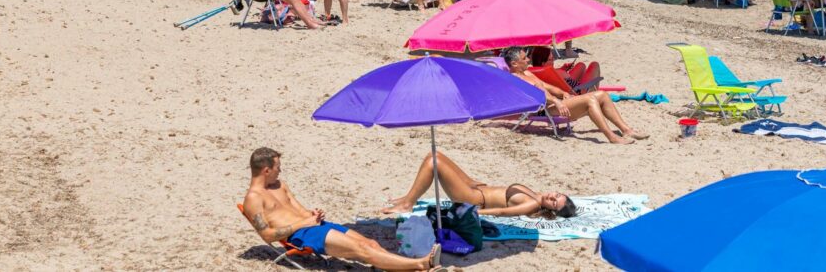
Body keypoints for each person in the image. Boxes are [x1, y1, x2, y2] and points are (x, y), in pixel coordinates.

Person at [243, 148, 440, 270]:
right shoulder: (254, 199)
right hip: (301, 237)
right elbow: (268, 235)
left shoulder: (280, 185)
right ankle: (420, 264)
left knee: (370, 243)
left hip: (313, 226)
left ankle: (416, 269)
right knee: (362, 250)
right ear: (266, 170)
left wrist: (312, 215)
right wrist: (304, 222)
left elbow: (300, 210)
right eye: (278, 167)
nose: (281, 170)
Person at [504, 47, 646, 144]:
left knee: (602, 94)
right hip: (544, 109)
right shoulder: (516, 79)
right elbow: (536, 94)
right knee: (590, 99)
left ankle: (627, 130)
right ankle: (612, 137)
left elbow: (547, 87)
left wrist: (563, 93)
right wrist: (557, 102)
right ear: (514, 63)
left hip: (554, 103)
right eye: (524, 58)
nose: (528, 60)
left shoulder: (527, 73)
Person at [381, 151, 576, 219]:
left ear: (550, 209)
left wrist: (476, 213)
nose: (552, 197)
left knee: (434, 162)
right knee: (437, 154)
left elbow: (502, 213)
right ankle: (408, 198)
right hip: (476, 187)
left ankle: (408, 204)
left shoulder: (532, 204)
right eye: (557, 195)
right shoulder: (537, 194)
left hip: (473, 199)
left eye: (553, 203)